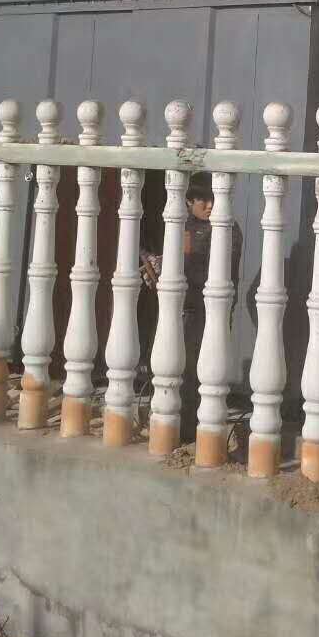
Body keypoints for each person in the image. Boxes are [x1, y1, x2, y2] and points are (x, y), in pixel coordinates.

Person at [138, 171, 243, 445]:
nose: (210, 205)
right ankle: (171, 428)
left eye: (212, 199)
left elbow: (213, 276)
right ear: (188, 201)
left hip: (208, 313)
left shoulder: (227, 229)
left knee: (198, 373)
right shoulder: (183, 226)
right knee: (172, 370)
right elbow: (182, 262)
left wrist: (172, 271)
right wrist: (158, 270)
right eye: (202, 200)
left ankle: (189, 435)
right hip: (181, 310)